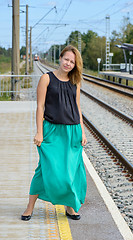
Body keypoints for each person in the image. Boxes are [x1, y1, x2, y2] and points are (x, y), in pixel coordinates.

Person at [21, 45, 87, 221]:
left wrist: (82, 131)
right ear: (60, 58)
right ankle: (29, 207)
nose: (68, 63)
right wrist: (39, 132)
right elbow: (40, 107)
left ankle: (70, 207)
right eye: (66, 59)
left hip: (72, 131)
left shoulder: (75, 81)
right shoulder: (46, 78)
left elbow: (78, 107)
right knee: (44, 170)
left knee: (71, 170)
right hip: (52, 131)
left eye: (72, 62)